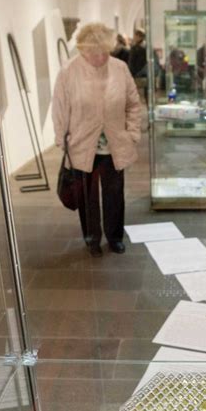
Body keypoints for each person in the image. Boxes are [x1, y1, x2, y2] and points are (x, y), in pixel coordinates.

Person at [52, 22, 141, 257]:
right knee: (87, 198)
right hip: (82, 145)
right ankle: (92, 239)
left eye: (104, 51)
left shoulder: (120, 68)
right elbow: (60, 109)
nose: (100, 57)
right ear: (83, 50)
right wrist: (63, 140)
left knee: (115, 194)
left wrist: (132, 133)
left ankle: (115, 237)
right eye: (94, 52)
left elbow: (133, 104)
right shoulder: (69, 72)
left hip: (115, 145)